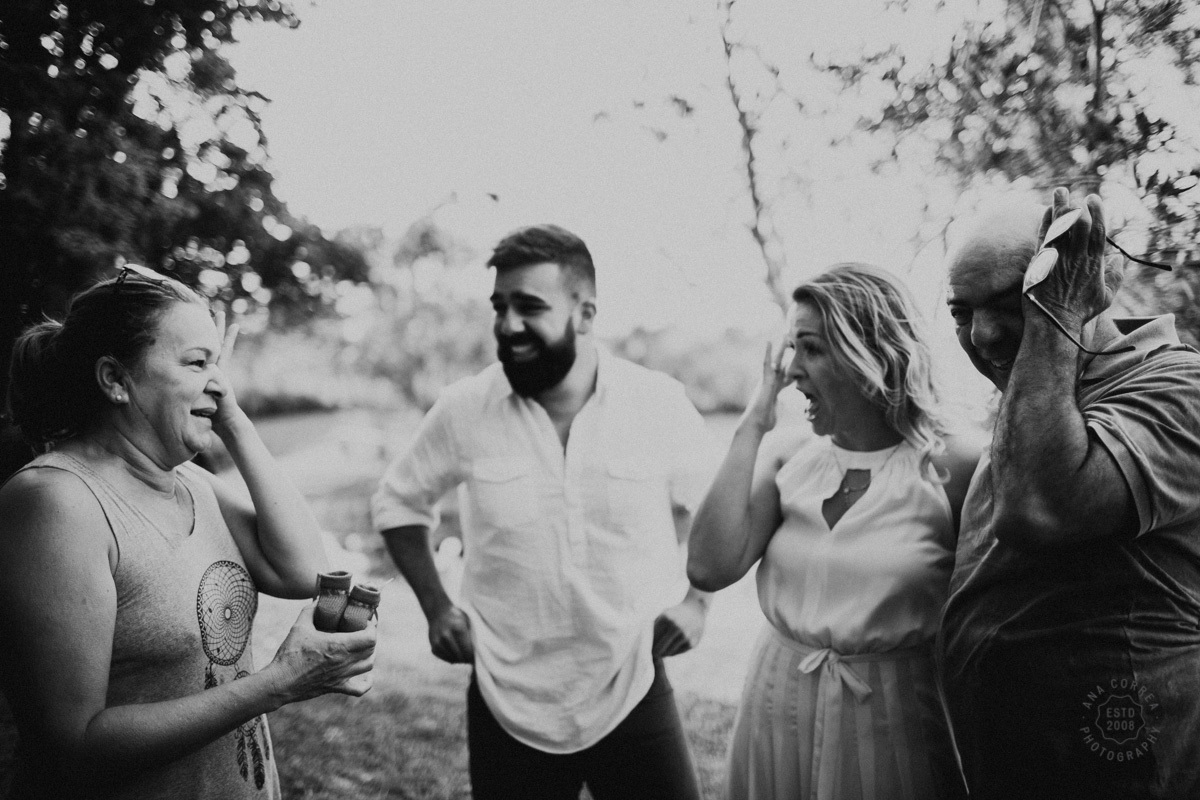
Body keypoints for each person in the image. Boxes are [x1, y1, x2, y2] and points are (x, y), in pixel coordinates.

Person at [0, 267, 378, 800]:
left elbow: (304, 573)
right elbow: (71, 748)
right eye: (198, 363)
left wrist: (235, 424)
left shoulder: (192, 483)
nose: (218, 383)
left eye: (218, 365)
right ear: (115, 379)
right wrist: (277, 684)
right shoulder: (55, 502)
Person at [372, 224, 714, 800]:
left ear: (585, 314)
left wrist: (698, 603)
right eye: (499, 307)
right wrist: (436, 607)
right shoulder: (464, 408)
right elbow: (397, 502)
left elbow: (715, 506)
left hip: (631, 680)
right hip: (507, 697)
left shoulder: (657, 403)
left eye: (529, 307)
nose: (508, 325)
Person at [939, 188, 1200, 798]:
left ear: (1087, 286)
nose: (982, 334)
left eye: (1013, 302)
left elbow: (1037, 510)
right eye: (960, 312)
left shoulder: (1178, 385)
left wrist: (1052, 314)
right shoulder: (1038, 397)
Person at [688, 263, 978, 800]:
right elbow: (708, 568)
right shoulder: (787, 458)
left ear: (872, 354)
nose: (792, 370)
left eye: (812, 349)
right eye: (791, 348)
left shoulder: (955, 468)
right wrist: (753, 423)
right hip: (776, 702)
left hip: (894, 715)